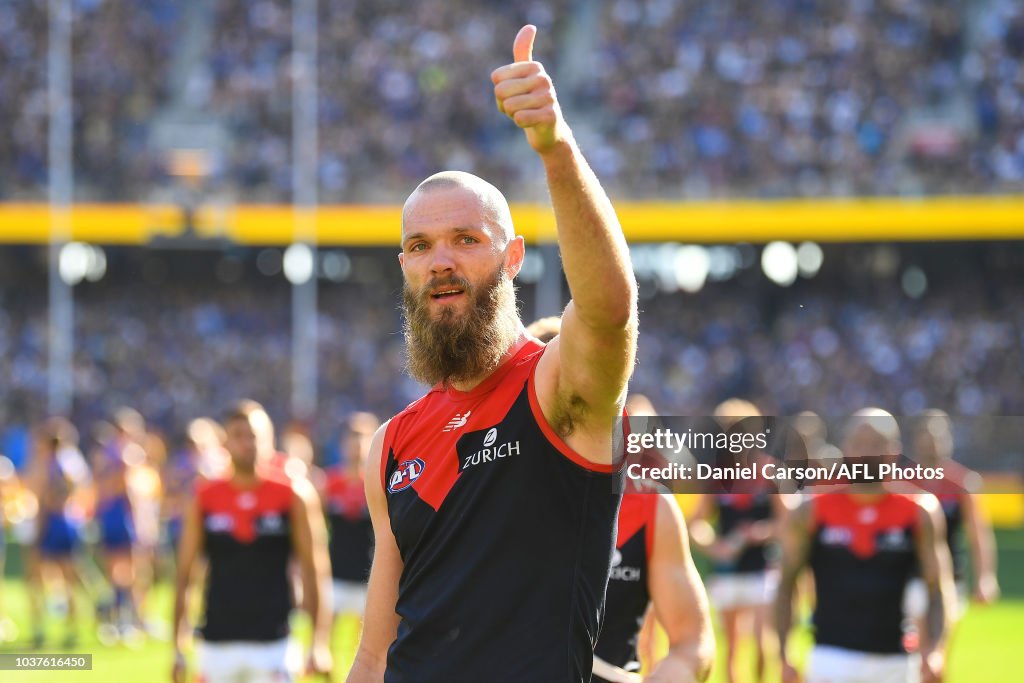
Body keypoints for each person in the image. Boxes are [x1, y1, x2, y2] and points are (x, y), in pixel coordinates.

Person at [347, 24, 637, 683]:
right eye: (419, 246)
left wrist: (555, 148)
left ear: (512, 258)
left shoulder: (557, 390)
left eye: (466, 239)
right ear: (404, 267)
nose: (440, 261)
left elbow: (609, 311)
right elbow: (374, 651)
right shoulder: (391, 444)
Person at [776, 409, 956, 683]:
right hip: (829, 659)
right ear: (845, 449)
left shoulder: (920, 511)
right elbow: (786, 583)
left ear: (894, 451)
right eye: (859, 444)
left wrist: (936, 649)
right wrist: (783, 653)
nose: (867, 453)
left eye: (876, 445)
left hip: (895, 663)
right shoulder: (811, 510)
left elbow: (938, 587)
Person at [172, 400, 333, 683]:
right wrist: (177, 646)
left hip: (274, 646)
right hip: (215, 645)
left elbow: (315, 569)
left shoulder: (293, 495)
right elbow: (186, 573)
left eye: (255, 436)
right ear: (225, 443)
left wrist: (319, 642)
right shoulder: (204, 497)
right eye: (239, 436)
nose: (248, 444)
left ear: (270, 441)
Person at [689, 399, 787, 683]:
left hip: (762, 568)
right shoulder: (716, 476)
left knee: (762, 642)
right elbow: (695, 524)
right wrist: (715, 547)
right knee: (731, 646)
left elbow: (787, 522)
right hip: (728, 572)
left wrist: (760, 532)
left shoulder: (770, 472)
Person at [903, 410, 999, 652]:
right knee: (911, 650)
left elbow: (978, 534)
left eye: (938, 436)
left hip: (950, 581)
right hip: (908, 577)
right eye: (927, 435)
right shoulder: (902, 481)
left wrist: (985, 577)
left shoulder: (962, 483)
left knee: (938, 651)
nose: (932, 442)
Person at [26, 418, 92, 648]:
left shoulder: (51, 465)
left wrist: (39, 526)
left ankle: (41, 629)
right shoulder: (71, 463)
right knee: (68, 580)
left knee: (39, 579)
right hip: (68, 521)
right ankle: (71, 628)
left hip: (54, 522)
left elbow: (47, 498)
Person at [324, 412, 379, 669]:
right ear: (343, 442)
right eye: (353, 436)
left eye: (364, 436)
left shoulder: (379, 482)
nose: (358, 443)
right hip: (335, 573)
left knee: (366, 642)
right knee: (327, 636)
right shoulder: (329, 484)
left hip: (369, 574)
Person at [91, 408, 146, 640]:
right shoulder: (127, 454)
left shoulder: (105, 454)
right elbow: (127, 489)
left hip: (111, 514)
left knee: (118, 571)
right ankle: (127, 619)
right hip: (121, 515)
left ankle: (121, 618)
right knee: (129, 571)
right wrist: (140, 520)